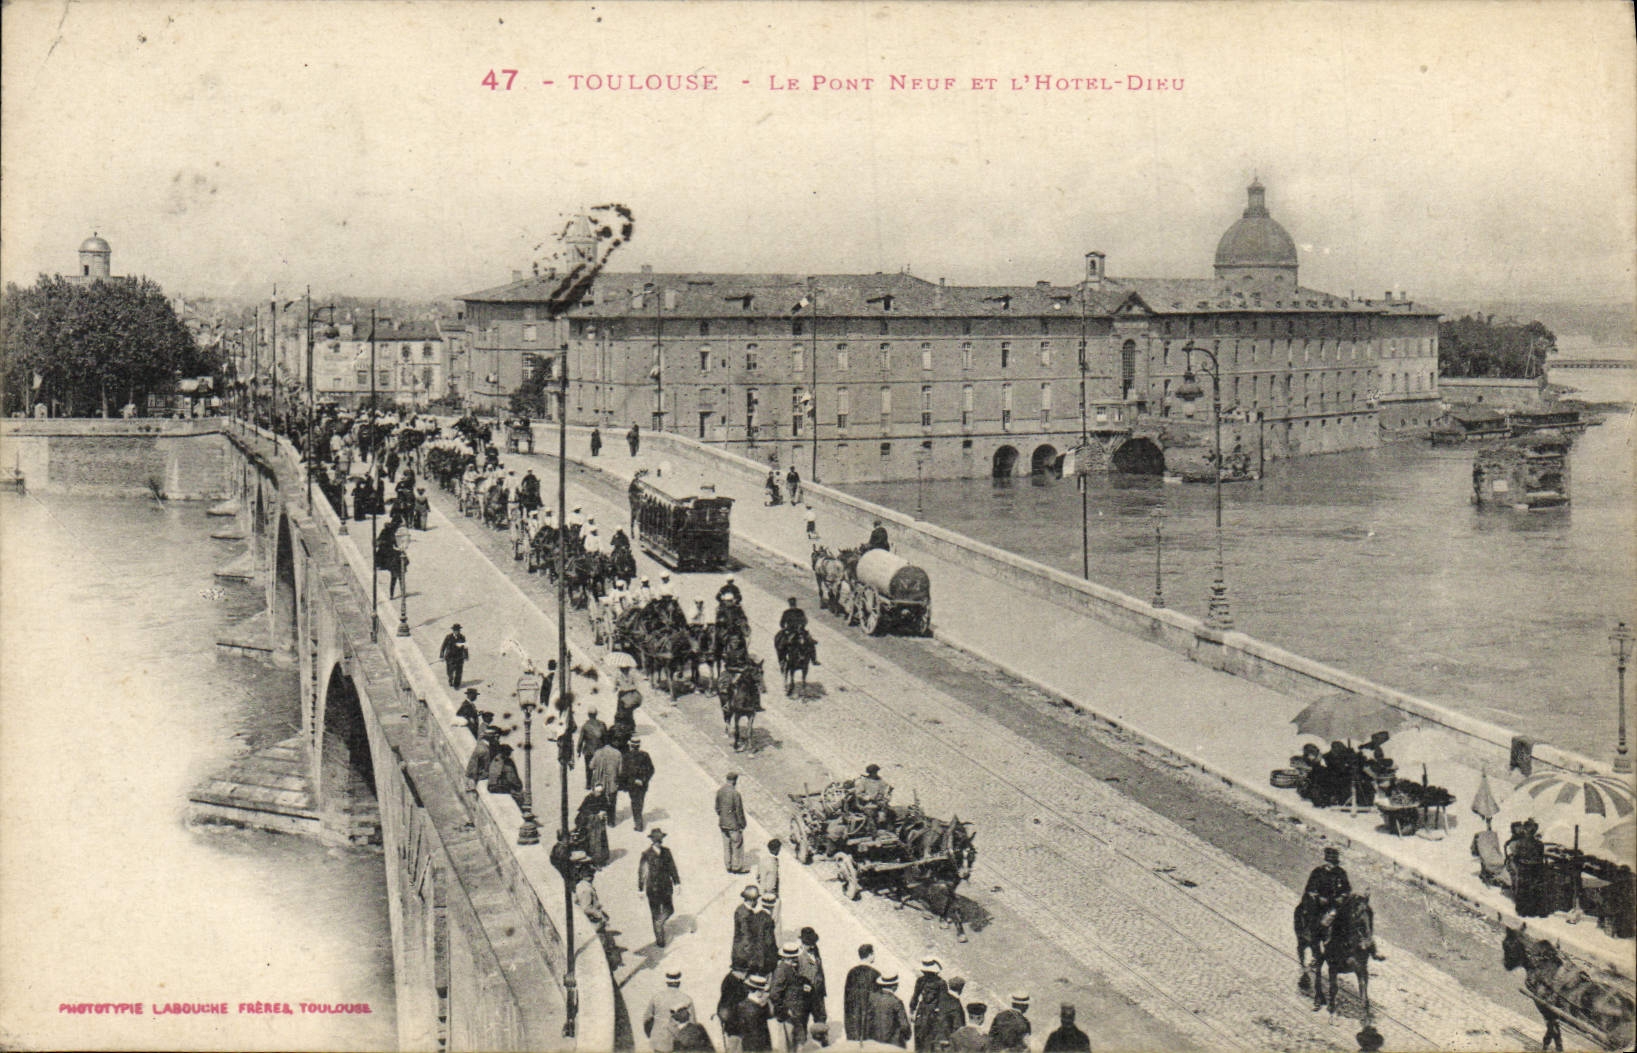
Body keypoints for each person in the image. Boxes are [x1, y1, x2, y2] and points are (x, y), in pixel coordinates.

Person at [638, 828, 682, 948]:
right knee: (655, 912)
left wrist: (677, 882)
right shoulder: (646, 854)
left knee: (669, 909)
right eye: (656, 840)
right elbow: (642, 872)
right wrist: (640, 889)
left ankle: (659, 923)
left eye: (660, 840)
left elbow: (672, 868)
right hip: (653, 888)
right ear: (652, 840)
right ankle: (660, 939)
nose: (658, 842)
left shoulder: (667, 852)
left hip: (666, 886)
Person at [643, 968, 694, 1052]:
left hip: (659, 1042)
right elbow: (692, 1023)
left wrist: (652, 1035)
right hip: (679, 1042)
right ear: (679, 983)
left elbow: (647, 1019)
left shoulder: (656, 998)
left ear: (667, 982)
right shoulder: (687, 999)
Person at [770, 943, 808, 1051]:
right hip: (789, 1014)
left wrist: (802, 988)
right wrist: (784, 1009)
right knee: (788, 1044)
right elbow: (774, 994)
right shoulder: (781, 970)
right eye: (793, 958)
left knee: (797, 1042)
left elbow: (790, 987)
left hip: (795, 1012)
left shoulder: (790, 969)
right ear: (787, 957)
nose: (795, 960)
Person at [910, 958, 948, 1052]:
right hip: (929, 1014)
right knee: (927, 1041)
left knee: (922, 1040)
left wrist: (912, 1010)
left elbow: (915, 997)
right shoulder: (940, 983)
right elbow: (944, 1003)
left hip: (925, 1014)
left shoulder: (922, 980)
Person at [798, 927, 829, 1044]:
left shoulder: (815, 950)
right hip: (805, 994)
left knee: (821, 1017)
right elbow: (795, 975)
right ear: (802, 942)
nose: (811, 946)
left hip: (818, 991)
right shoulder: (797, 954)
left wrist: (822, 988)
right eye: (808, 944)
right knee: (803, 1019)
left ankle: (822, 1039)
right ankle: (802, 1043)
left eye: (813, 943)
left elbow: (820, 970)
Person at [844, 944, 880, 1042]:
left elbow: (847, 1000)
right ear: (870, 955)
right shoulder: (875, 974)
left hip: (853, 1018)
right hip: (869, 1020)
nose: (874, 956)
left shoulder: (851, 973)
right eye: (873, 954)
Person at [868, 972, 912, 1048]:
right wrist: (907, 1035)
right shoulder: (896, 1001)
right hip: (893, 1044)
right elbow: (904, 1025)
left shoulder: (872, 998)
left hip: (874, 1042)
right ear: (894, 986)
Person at [1302, 846, 1352, 912]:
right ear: (1326, 861)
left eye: (1334, 863)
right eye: (1330, 862)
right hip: (1317, 902)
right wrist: (1318, 897)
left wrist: (1342, 897)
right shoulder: (1318, 872)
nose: (1332, 865)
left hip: (1334, 903)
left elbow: (1347, 888)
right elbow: (1310, 887)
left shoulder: (1341, 873)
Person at [621, 735, 655, 831]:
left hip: (632, 784)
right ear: (639, 745)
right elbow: (651, 770)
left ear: (631, 745)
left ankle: (638, 823)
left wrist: (628, 782)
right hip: (643, 785)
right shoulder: (645, 755)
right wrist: (644, 780)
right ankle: (638, 820)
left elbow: (624, 772)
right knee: (640, 801)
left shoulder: (626, 756)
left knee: (634, 802)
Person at [717, 772, 748, 873]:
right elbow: (739, 811)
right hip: (733, 824)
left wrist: (722, 816)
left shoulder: (720, 791)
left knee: (726, 845)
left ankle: (728, 865)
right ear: (734, 781)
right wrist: (742, 823)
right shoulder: (735, 794)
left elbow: (717, 808)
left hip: (722, 823)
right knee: (736, 845)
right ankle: (736, 867)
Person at [735, 975, 774, 1053]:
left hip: (749, 1046)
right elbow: (756, 1033)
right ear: (758, 992)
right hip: (756, 1047)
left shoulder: (743, 1004)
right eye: (763, 991)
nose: (764, 993)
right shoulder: (754, 1008)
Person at [717, 968, 751, 1053]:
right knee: (735, 1047)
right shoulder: (732, 983)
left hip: (734, 1023)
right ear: (738, 971)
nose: (745, 975)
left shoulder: (733, 980)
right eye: (744, 972)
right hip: (734, 1024)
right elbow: (730, 1005)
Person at [590, 739, 623, 824]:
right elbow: (620, 771)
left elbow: (591, 766)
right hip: (612, 781)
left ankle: (599, 820)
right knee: (612, 801)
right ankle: (611, 822)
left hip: (599, 782)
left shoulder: (598, 752)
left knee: (598, 800)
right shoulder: (618, 753)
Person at [576, 786, 611, 868]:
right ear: (593, 791)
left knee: (601, 841)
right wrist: (593, 815)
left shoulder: (603, 798)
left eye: (600, 792)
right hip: (591, 824)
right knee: (593, 842)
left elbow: (607, 807)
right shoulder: (588, 798)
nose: (599, 793)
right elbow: (583, 810)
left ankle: (602, 859)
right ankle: (594, 860)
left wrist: (603, 812)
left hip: (600, 824)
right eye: (597, 791)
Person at [731, 885, 762, 974]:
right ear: (753, 900)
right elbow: (746, 936)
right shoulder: (745, 914)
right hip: (743, 955)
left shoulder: (742, 909)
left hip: (740, 952)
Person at [578, 707, 607, 789]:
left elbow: (581, 740)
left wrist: (578, 751)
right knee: (600, 767)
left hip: (588, 751)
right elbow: (606, 738)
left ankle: (588, 784)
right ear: (596, 714)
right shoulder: (602, 724)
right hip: (599, 750)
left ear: (588, 715)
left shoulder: (585, 726)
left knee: (588, 768)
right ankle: (599, 783)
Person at [936, 977, 967, 1049]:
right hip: (946, 1043)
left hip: (935, 1038)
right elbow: (959, 1028)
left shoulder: (942, 997)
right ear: (961, 990)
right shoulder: (957, 1005)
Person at [757, 839, 782, 924]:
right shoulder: (772, 862)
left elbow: (758, 876)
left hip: (764, 891)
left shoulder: (763, 859)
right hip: (770, 894)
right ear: (776, 849)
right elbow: (774, 880)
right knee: (773, 918)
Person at [439, 624, 468, 688]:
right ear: (453, 631)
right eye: (455, 630)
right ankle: (450, 679)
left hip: (459, 657)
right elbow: (444, 646)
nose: (456, 632)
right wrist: (441, 655)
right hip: (450, 657)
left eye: (458, 630)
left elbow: (465, 647)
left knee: (459, 671)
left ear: (459, 630)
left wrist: (466, 655)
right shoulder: (448, 637)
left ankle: (456, 684)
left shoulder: (462, 637)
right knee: (450, 670)